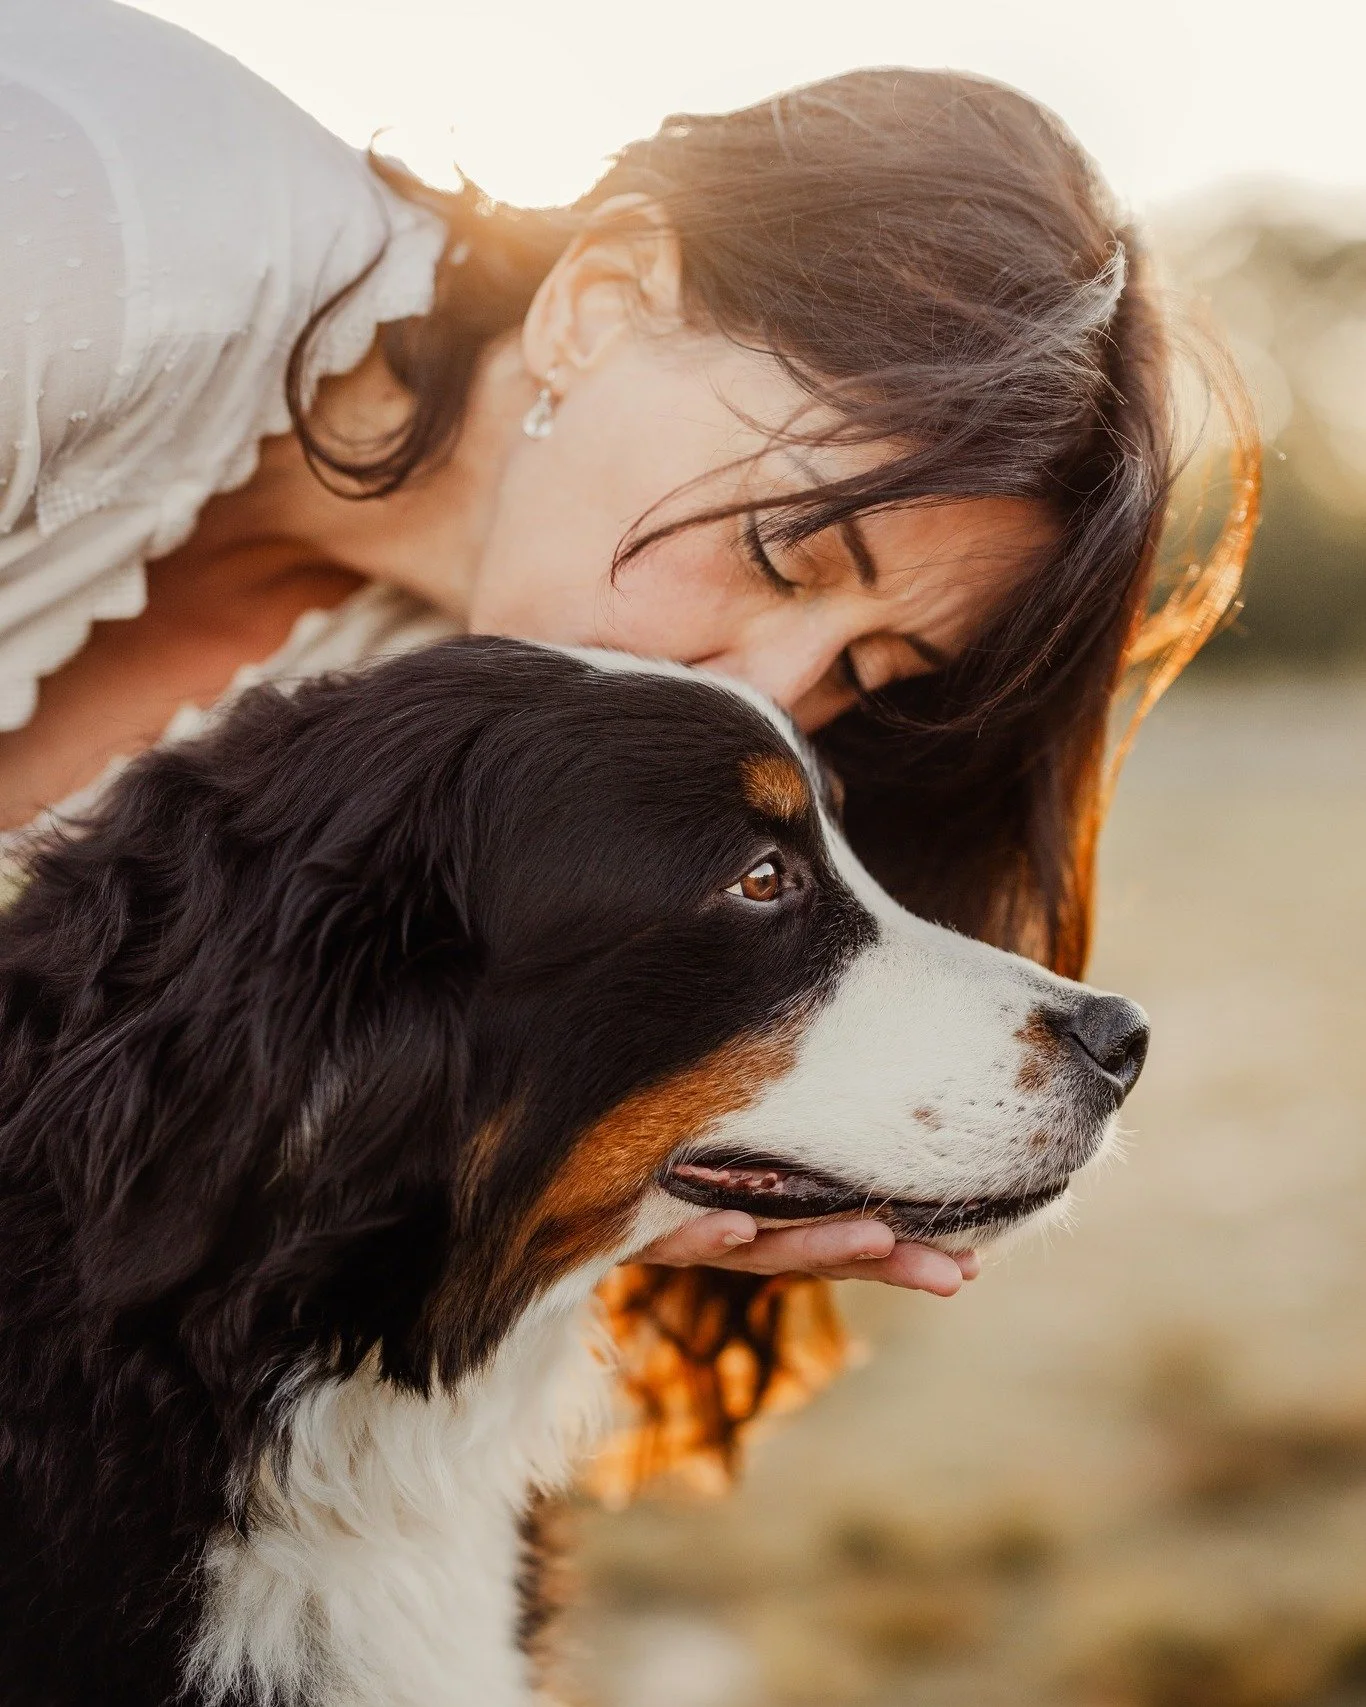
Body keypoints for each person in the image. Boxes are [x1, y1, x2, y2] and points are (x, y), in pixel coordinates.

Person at [0, 0, 1256, 1477]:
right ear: (600, 294)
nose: (773, 684)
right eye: (787, 554)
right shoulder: (86, 214)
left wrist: (619, 1163)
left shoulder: (451, 731)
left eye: (869, 660)